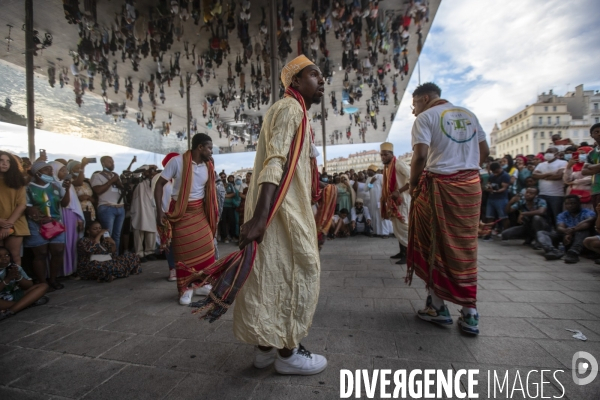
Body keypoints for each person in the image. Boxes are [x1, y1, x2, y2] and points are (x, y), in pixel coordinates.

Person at [233, 55, 327, 375]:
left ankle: (264, 350)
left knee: (270, 276)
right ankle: (288, 355)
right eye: (314, 75)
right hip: (281, 211)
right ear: (296, 82)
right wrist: (261, 218)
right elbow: (276, 162)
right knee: (299, 273)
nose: (322, 80)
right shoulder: (290, 108)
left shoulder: (290, 109)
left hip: (277, 208)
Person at [407, 82, 489, 335]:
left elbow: (420, 156)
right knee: (464, 246)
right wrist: (465, 168)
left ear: (426, 98)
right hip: (470, 188)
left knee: (432, 243)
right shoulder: (469, 114)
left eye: (414, 104)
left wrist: (413, 186)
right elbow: (484, 151)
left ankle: (437, 306)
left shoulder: (426, 117)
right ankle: (469, 313)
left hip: (440, 187)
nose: (413, 111)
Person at [155, 133, 217, 305]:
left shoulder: (208, 165)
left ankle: (200, 283)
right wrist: (160, 211)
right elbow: (159, 185)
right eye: (209, 148)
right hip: (180, 212)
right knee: (184, 253)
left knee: (208, 248)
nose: (211, 152)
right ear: (200, 147)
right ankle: (186, 288)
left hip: (199, 211)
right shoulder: (177, 162)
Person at [24, 161, 71, 290]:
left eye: (51, 169)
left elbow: (65, 204)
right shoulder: (28, 188)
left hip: (55, 223)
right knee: (41, 254)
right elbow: (26, 207)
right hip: (36, 225)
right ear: (37, 173)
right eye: (47, 170)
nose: (51, 172)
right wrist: (35, 213)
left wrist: (67, 190)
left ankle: (53, 279)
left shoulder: (55, 186)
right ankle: (42, 282)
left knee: (58, 251)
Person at [50, 161, 85, 277]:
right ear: (54, 171)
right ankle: (59, 272)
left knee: (71, 243)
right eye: (62, 170)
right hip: (59, 215)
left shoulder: (68, 184)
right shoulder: (52, 184)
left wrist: (79, 218)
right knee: (59, 246)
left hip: (70, 215)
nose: (65, 172)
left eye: (66, 170)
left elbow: (74, 203)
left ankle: (70, 269)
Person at [537, 195, 595, 263]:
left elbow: (588, 223)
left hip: (581, 238)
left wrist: (573, 230)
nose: (570, 205)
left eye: (573, 203)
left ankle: (573, 253)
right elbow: (560, 227)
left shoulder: (587, 212)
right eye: (567, 204)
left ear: (579, 203)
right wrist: (566, 232)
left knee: (583, 231)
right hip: (566, 236)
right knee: (541, 233)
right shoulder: (562, 215)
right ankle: (552, 251)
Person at [77, 221, 141, 281]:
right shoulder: (83, 241)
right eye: (95, 229)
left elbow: (112, 254)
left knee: (133, 256)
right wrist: (99, 235)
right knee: (105, 267)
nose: (98, 230)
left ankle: (113, 274)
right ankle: (117, 273)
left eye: (100, 228)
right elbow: (91, 249)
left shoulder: (103, 240)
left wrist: (113, 244)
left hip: (107, 261)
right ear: (88, 231)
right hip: (92, 264)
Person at [380, 142, 411, 264]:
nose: (383, 157)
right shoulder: (387, 168)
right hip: (393, 201)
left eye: (385, 155)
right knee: (397, 227)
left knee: (404, 227)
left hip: (402, 201)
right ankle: (402, 252)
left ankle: (409, 255)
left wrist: (399, 191)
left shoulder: (399, 164)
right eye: (381, 155)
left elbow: (412, 177)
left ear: (392, 154)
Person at [0, 247, 49, 322]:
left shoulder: (14, 267)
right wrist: (8, 279)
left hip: (14, 295)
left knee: (43, 286)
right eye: (0, 256)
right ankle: (26, 303)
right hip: (2, 300)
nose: (4, 258)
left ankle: (9, 311)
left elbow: (28, 286)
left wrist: (18, 277)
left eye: (7, 255)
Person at [0, 151, 30, 266]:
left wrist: (8, 224)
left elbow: (22, 205)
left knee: (14, 256)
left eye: (8, 161)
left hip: (15, 222)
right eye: (1, 160)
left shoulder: (17, 181)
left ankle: (15, 283)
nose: (5, 164)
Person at [91, 156, 126, 254]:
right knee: (107, 234)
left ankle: (116, 257)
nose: (112, 163)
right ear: (103, 163)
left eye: (113, 161)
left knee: (117, 235)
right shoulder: (97, 176)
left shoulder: (115, 175)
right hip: (107, 208)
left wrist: (118, 182)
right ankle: (107, 257)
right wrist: (111, 181)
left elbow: (122, 189)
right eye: (109, 161)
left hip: (120, 207)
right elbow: (98, 190)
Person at [130, 165, 159, 262]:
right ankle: (139, 253)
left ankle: (149, 252)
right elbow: (134, 174)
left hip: (151, 209)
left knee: (151, 230)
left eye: (153, 171)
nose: (152, 173)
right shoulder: (139, 181)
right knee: (139, 230)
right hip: (140, 209)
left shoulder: (154, 181)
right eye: (150, 171)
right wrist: (148, 168)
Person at [532, 147, 567, 225]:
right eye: (547, 151)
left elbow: (558, 176)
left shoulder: (562, 163)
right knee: (545, 216)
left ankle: (558, 233)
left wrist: (542, 176)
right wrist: (548, 174)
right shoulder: (541, 164)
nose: (548, 153)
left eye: (551, 151)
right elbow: (534, 175)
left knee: (557, 216)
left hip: (556, 195)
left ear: (557, 154)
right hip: (542, 194)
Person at [484, 162, 511, 238]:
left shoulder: (505, 175)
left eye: (496, 171)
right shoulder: (492, 176)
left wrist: (495, 191)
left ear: (499, 168)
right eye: (493, 172)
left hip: (501, 198)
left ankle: (506, 234)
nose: (495, 173)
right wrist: (488, 188)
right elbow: (488, 184)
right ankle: (488, 233)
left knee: (503, 217)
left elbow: (504, 188)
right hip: (491, 198)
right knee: (489, 216)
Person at [68, 159, 96, 226]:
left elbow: (94, 198)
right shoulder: (69, 181)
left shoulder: (86, 182)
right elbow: (79, 183)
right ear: (71, 170)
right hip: (77, 210)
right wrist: (82, 167)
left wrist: (88, 198)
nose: (79, 170)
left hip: (89, 210)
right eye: (77, 168)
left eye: (80, 168)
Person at [365, 164, 388, 237]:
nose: (368, 172)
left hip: (381, 199)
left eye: (370, 171)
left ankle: (385, 233)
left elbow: (385, 188)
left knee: (382, 215)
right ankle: (376, 232)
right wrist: (371, 182)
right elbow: (366, 189)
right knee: (374, 216)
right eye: (368, 171)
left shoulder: (380, 176)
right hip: (373, 201)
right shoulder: (369, 179)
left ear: (374, 171)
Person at [581, 123, 600, 209]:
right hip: (596, 189)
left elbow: (588, 168)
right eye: (596, 132)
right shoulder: (591, 153)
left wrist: (591, 167)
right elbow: (584, 171)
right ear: (592, 135)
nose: (599, 133)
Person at [220, 175, 239, 243]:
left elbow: (233, 193)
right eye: (222, 177)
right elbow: (218, 194)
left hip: (230, 206)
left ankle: (233, 236)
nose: (223, 178)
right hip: (222, 206)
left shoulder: (230, 185)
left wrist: (224, 195)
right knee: (223, 222)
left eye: (224, 177)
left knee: (232, 221)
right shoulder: (219, 185)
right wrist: (228, 195)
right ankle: (225, 237)